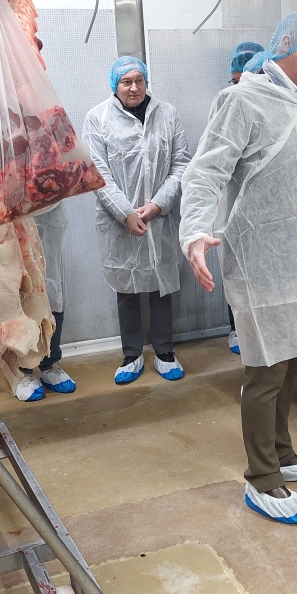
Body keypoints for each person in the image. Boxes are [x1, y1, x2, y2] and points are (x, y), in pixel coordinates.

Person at [180, 8, 297, 524]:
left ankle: (283, 453)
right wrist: (194, 231)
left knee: (287, 359)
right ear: (287, 42)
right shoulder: (245, 99)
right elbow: (206, 172)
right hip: (263, 262)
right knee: (264, 371)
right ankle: (262, 478)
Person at [82, 56, 192, 385]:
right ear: (114, 85)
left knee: (161, 285)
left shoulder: (167, 114)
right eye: (126, 82)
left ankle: (165, 352)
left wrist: (158, 204)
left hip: (160, 217)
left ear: (146, 82)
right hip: (119, 222)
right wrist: (125, 213)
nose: (134, 87)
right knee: (126, 288)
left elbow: (182, 163)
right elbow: (97, 172)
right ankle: (131, 355)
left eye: (139, 80)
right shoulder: (97, 118)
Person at [223, 42, 264, 355]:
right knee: (237, 274)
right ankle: (237, 328)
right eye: (235, 81)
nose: (240, 89)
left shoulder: (289, 107)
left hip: (274, 215)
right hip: (237, 208)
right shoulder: (226, 107)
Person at [14, 202, 79, 401]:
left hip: (49, 212)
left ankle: (50, 364)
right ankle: (21, 372)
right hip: (12, 215)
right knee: (18, 289)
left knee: (52, 289)